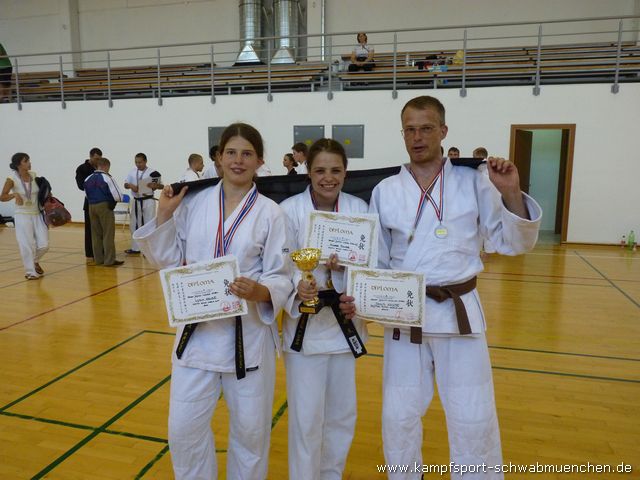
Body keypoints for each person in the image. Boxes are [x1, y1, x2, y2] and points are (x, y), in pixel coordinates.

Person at [340, 95, 542, 479]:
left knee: (472, 412)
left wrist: (511, 190)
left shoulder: (474, 181)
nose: (417, 137)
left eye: (426, 128)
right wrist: (365, 298)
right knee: (399, 414)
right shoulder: (386, 190)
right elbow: (377, 260)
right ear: (403, 134)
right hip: (404, 315)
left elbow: (513, 243)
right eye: (410, 129)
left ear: (443, 131)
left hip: (458, 313)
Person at [133, 122, 293, 480]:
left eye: (247, 154)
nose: (238, 160)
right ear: (218, 158)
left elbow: (281, 274)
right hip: (197, 338)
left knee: (251, 436)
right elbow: (170, 262)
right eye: (231, 153)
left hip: (247, 339)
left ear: (259, 161)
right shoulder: (193, 203)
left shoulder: (271, 213)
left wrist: (261, 291)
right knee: (183, 431)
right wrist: (163, 215)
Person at [280, 138, 368, 480]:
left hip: (345, 328)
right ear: (308, 171)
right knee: (306, 419)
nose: (327, 178)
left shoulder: (359, 210)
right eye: (320, 170)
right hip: (306, 331)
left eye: (335, 170)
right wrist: (297, 286)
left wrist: (351, 278)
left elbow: (373, 265)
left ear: (345, 173)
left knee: (342, 416)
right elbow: (279, 265)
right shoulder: (288, 211)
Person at [1, 153, 49, 279]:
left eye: (29, 160)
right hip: (22, 215)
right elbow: (2, 196)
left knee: (44, 244)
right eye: (26, 161)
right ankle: (30, 272)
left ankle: (34, 261)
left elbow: (40, 192)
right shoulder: (11, 179)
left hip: (38, 213)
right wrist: (14, 195)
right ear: (18, 164)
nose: (29, 163)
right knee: (26, 244)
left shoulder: (33, 175)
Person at [84, 157, 124, 267]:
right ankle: (109, 260)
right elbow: (118, 195)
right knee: (108, 233)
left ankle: (98, 259)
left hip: (91, 206)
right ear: (106, 166)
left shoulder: (88, 178)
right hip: (104, 206)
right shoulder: (107, 178)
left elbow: (86, 195)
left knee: (96, 234)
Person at [123, 152, 162, 254]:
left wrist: (154, 185)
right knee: (134, 225)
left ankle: (150, 249)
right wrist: (129, 185)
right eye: (136, 162)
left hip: (148, 200)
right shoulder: (132, 172)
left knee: (149, 224)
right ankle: (136, 248)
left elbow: (161, 186)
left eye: (140, 162)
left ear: (145, 161)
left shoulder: (153, 172)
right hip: (136, 200)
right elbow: (125, 184)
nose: (138, 164)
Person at [75, 147, 102, 260]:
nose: (97, 161)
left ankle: (101, 251)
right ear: (90, 157)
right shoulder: (82, 168)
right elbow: (81, 185)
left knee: (101, 228)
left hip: (102, 201)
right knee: (90, 228)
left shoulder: (101, 167)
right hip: (90, 201)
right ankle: (90, 252)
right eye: (96, 159)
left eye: (99, 159)